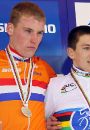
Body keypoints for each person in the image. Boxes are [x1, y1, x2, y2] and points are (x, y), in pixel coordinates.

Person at [0, 2, 56, 130]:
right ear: (10, 29)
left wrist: (48, 121)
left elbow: (52, 112)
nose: (34, 40)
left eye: (39, 33)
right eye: (28, 31)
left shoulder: (46, 70)